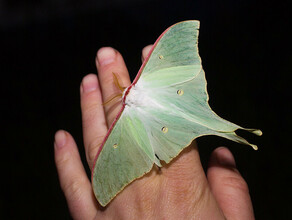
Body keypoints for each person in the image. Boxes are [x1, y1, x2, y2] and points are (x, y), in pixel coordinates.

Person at [54, 46, 255, 219]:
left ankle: (239, 133)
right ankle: (243, 133)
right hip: (171, 100)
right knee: (209, 123)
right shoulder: (135, 94)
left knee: (209, 124)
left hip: (165, 120)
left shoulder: (126, 114)